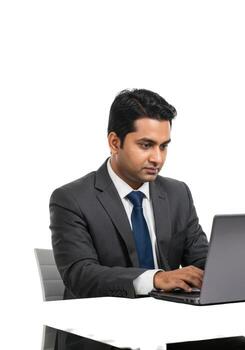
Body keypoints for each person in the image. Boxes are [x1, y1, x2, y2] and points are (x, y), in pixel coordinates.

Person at [49, 88, 209, 299]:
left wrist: (230, 269)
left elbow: (202, 260)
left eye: (163, 146)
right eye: (146, 145)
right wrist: (155, 279)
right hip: (101, 325)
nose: (157, 158)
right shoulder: (71, 199)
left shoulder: (178, 194)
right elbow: (80, 275)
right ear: (115, 143)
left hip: (173, 321)